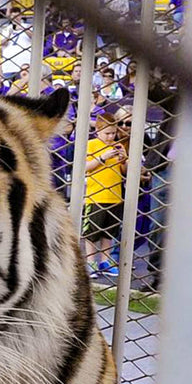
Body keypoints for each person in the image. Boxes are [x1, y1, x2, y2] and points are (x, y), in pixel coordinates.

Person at [83, 111, 126, 277]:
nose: (110, 137)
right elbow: (85, 167)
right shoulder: (92, 145)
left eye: (113, 133)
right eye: (107, 133)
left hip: (115, 196)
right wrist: (102, 157)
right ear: (98, 131)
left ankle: (105, 261)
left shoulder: (118, 146)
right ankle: (90, 262)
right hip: (96, 195)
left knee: (109, 232)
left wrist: (123, 159)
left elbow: (124, 171)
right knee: (93, 232)